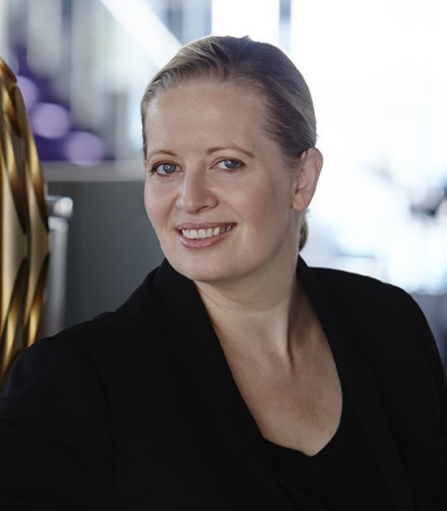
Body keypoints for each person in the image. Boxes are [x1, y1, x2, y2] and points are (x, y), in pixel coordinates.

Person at [0, 35, 446, 511]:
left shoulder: (389, 324)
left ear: (302, 179)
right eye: (166, 167)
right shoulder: (73, 381)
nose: (190, 199)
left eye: (227, 163)